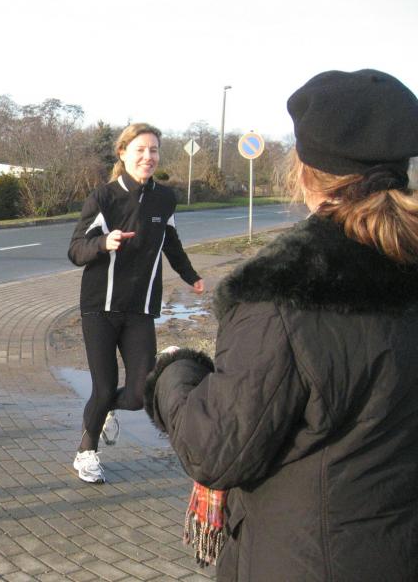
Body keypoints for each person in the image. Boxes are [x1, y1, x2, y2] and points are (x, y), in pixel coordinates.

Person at [146, 69, 418, 581]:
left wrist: (172, 373)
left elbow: (216, 448)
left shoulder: (282, 292)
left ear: (306, 173)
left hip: (307, 559)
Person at [67, 122, 203, 484]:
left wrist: (191, 276)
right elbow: (75, 250)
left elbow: (171, 243)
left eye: (153, 150)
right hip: (100, 306)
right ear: (123, 153)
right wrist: (103, 243)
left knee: (141, 393)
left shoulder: (165, 199)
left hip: (140, 307)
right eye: (140, 150)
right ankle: (86, 453)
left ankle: (105, 411)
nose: (148, 156)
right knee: (103, 386)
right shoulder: (104, 198)